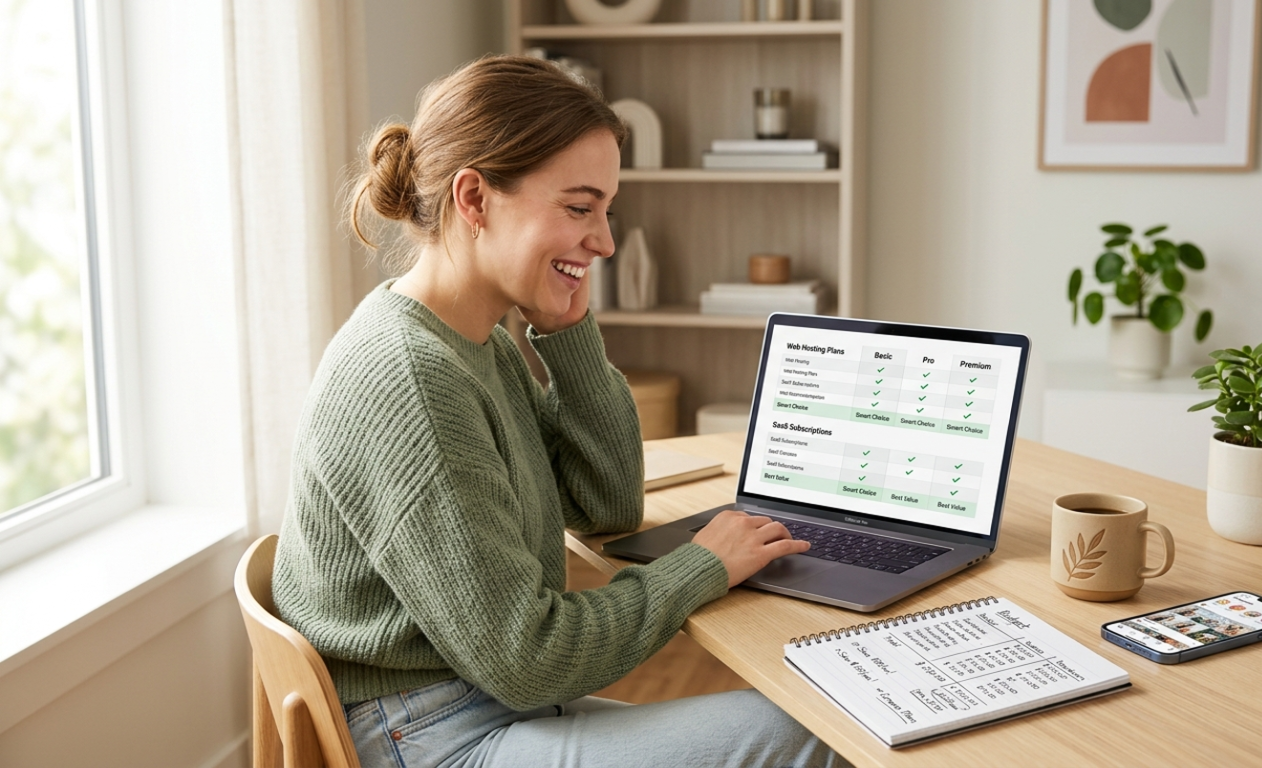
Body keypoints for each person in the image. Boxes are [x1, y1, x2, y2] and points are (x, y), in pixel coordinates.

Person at [271, 55, 850, 768]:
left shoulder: (475, 340)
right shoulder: (412, 376)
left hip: (478, 700)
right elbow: (530, 658)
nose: (604, 241)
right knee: (816, 733)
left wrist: (569, 327)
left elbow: (606, 503)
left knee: (816, 718)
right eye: (580, 209)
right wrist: (701, 565)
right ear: (475, 199)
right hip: (435, 735)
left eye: (606, 211)